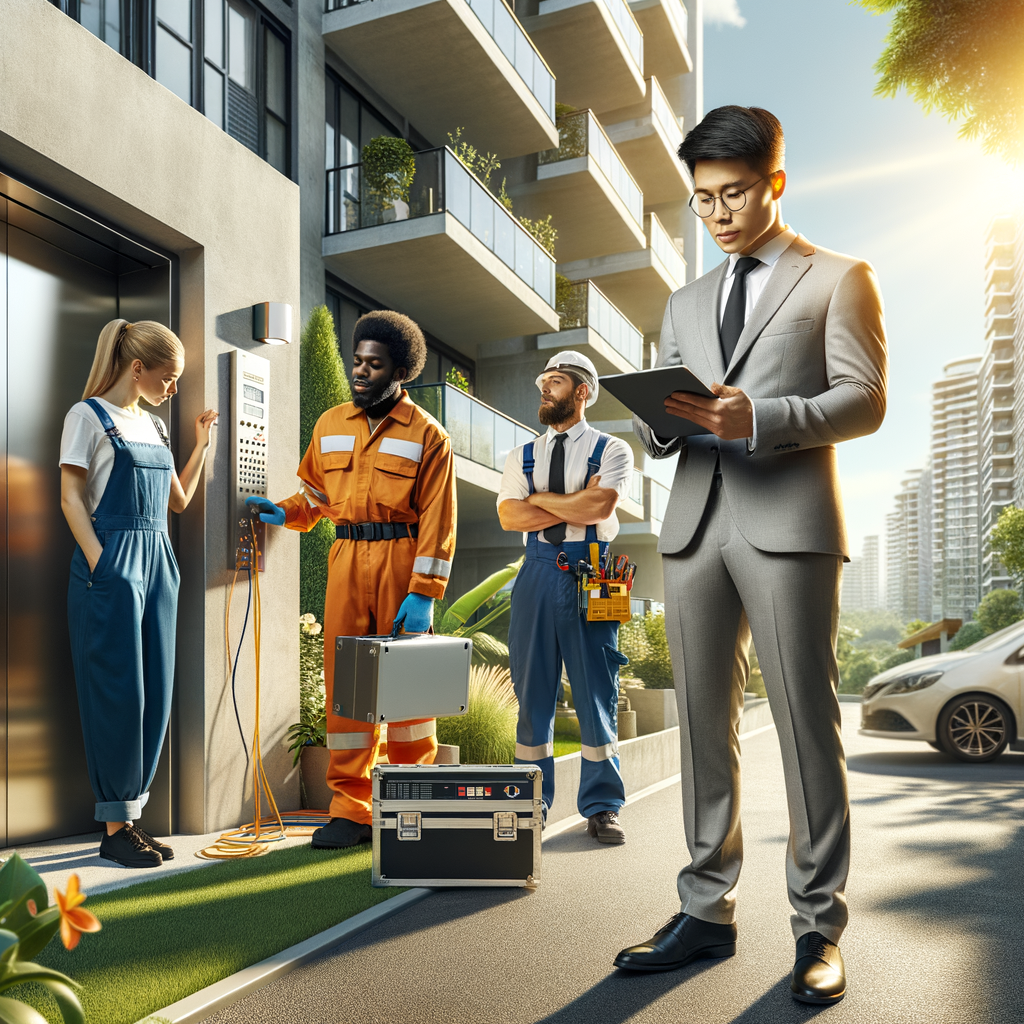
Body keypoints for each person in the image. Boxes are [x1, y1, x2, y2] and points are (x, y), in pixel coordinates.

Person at [614, 107, 887, 1005]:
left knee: (809, 726)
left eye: (734, 194)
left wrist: (762, 420)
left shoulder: (840, 278)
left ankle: (818, 925)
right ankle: (705, 911)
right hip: (695, 523)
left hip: (789, 521)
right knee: (700, 724)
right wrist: (662, 423)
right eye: (702, 200)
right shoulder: (685, 301)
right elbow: (673, 408)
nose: (720, 213)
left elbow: (863, 400)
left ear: (775, 182)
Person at [248, 311, 456, 849]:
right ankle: (351, 811)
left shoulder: (429, 435)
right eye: (356, 362)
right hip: (346, 559)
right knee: (348, 691)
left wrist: (423, 593)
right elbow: (315, 498)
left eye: (374, 364)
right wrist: (283, 511)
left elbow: (439, 519)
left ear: (400, 371)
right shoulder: (329, 423)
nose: (360, 372)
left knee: (409, 695)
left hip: (401, 559)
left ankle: (411, 805)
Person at [60, 319, 218, 868]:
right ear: (137, 368)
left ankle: (133, 820)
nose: (172, 387)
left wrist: (201, 446)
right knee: (118, 692)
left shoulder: (155, 427)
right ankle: (113, 827)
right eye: (168, 376)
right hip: (113, 562)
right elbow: (71, 499)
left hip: (159, 559)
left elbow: (177, 501)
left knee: (155, 689)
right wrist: (104, 564)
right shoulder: (87, 417)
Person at [497, 351, 635, 844]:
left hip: (599, 572)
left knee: (599, 689)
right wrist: (569, 506)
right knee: (532, 691)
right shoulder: (521, 455)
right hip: (534, 572)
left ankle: (603, 807)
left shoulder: (613, 449)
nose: (545, 390)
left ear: (582, 391)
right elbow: (509, 518)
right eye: (544, 382)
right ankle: (530, 805)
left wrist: (535, 501)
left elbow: (601, 504)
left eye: (555, 382)